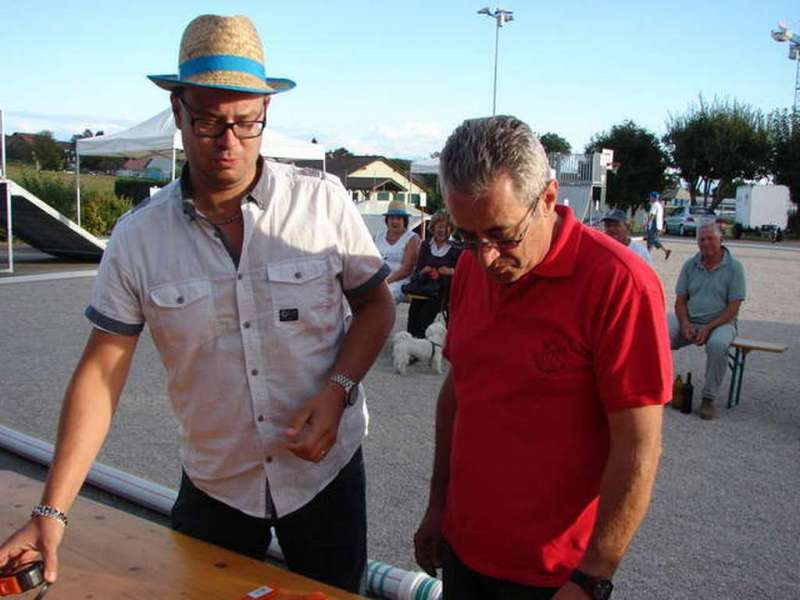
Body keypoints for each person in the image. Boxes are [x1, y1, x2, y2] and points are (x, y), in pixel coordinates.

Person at [0, 15, 395, 594]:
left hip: (325, 476)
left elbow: (376, 307)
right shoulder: (139, 239)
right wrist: (51, 512)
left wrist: (336, 392)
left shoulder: (322, 205)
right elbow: (100, 373)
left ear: (266, 115)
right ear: (178, 113)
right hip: (217, 486)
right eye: (209, 120)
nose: (228, 141)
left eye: (245, 121)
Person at [413, 116, 671, 600]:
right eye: (469, 236)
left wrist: (593, 575)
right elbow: (458, 391)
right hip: (464, 549)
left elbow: (640, 447)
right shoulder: (471, 268)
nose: (485, 257)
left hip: (553, 576)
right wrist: (437, 506)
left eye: (502, 235)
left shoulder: (619, 284)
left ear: (549, 199)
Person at [668, 221, 746, 420]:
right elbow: (680, 302)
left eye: (710, 238)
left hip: (721, 323)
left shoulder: (735, 268)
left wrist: (710, 327)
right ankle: (659, 387)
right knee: (660, 334)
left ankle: (708, 398)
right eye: (701, 239)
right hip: (691, 321)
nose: (705, 243)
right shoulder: (690, 265)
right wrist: (684, 323)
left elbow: (733, 308)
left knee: (718, 345)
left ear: (721, 240)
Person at [405, 210, 462, 338]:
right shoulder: (426, 245)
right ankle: (411, 341)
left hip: (445, 290)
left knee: (427, 310)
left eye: (446, 227)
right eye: (439, 226)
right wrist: (424, 270)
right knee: (414, 309)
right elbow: (418, 271)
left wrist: (451, 271)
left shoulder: (456, 248)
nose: (442, 230)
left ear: (451, 229)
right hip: (425, 287)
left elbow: (464, 273)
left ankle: (419, 341)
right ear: (433, 227)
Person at [374, 199, 421, 302]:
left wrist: (385, 281)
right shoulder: (378, 236)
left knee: (381, 299)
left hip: (400, 281)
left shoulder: (412, 238)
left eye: (398, 218)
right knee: (357, 298)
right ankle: (352, 318)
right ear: (387, 220)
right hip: (378, 279)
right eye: (392, 218)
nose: (395, 221)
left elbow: (406, 270)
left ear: (405, 220)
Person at [645, 191, 671, 260]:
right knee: (651, 241)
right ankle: (647, 255)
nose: (650, 198)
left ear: (653, 197)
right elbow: (662, 217)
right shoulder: (660, 206)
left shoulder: (654, 205)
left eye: (651, 197)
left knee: (653, 240)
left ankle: (666, 251)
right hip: (658, 226)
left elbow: (652, 215)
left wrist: (647, 223)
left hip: (654, 226)